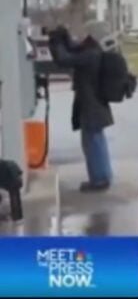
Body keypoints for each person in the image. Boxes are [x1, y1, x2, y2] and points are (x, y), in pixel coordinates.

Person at [47, 21, 116, 192]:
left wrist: (56, 40)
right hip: (95, 104)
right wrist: (64, 37)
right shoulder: (93, 51)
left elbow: (64, 59)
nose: (83, 37)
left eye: (87, 34)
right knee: (95, 140)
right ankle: (103, 176)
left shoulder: (91, 54)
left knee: (92, 142)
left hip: (91, 105)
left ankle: (100, 179)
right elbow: (73, 49)